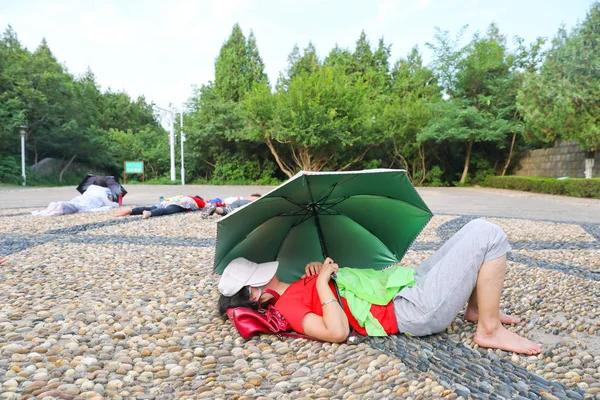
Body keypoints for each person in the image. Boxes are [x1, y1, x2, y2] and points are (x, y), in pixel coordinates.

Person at [217, 219, 543, 355]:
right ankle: (489, 329)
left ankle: (475, 309)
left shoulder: (298, 283)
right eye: (258, 275)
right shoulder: (285, 306)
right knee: (488, 234)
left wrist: (322, 275)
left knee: (473, 227)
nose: (267, 271)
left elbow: (347, 293)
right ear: (255, 294)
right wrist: (322, 286)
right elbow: (335, 331)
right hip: (409, 310)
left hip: (399, 286)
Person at [32, 178, 116, 216]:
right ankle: (60, 206)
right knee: (78, 207)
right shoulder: (105, 190)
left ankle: (57, 206)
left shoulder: (90, 188)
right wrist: (115, 202)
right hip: (92, 200)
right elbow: (109, 202)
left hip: (82, 197)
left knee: (74, 203)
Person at [115, 195, 205, 219]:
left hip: (167, 201)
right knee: (166, 211)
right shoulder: (196, 200)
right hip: (179, 204)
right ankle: (149, 214)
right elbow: (208, 205)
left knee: (151, 207)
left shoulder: (184, 195)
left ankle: (131, 211)